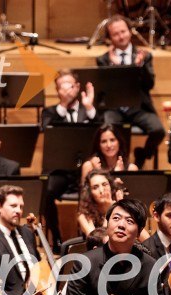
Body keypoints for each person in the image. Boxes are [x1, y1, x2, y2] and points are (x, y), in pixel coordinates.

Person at [41, 69, 101, 247]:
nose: (66, 90)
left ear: (78, 87)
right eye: (62, 86)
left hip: (84, 170)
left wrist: (90, 107)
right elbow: (45, 128)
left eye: (70, 85)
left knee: (97, 187)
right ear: (57, 91)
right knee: (46, 190)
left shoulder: (87, 110)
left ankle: (89, 236)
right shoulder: (50, 112)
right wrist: (63, 105)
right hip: (59, 171)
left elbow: (102, 130)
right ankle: (57, 238)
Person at [95, 15, 164, 168]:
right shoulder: (104, 60)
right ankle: (120, 165)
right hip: (115, 108)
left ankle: (143, 155)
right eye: (115, 34)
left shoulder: (144, 56)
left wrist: (140, 68)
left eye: (123, 31)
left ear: (130, 32)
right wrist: (115, 67)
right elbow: (106, 89)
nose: (121, 36)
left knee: (158, 130)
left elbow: (149, 84)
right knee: (108, 129)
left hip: (139, 107)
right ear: (109, 38)